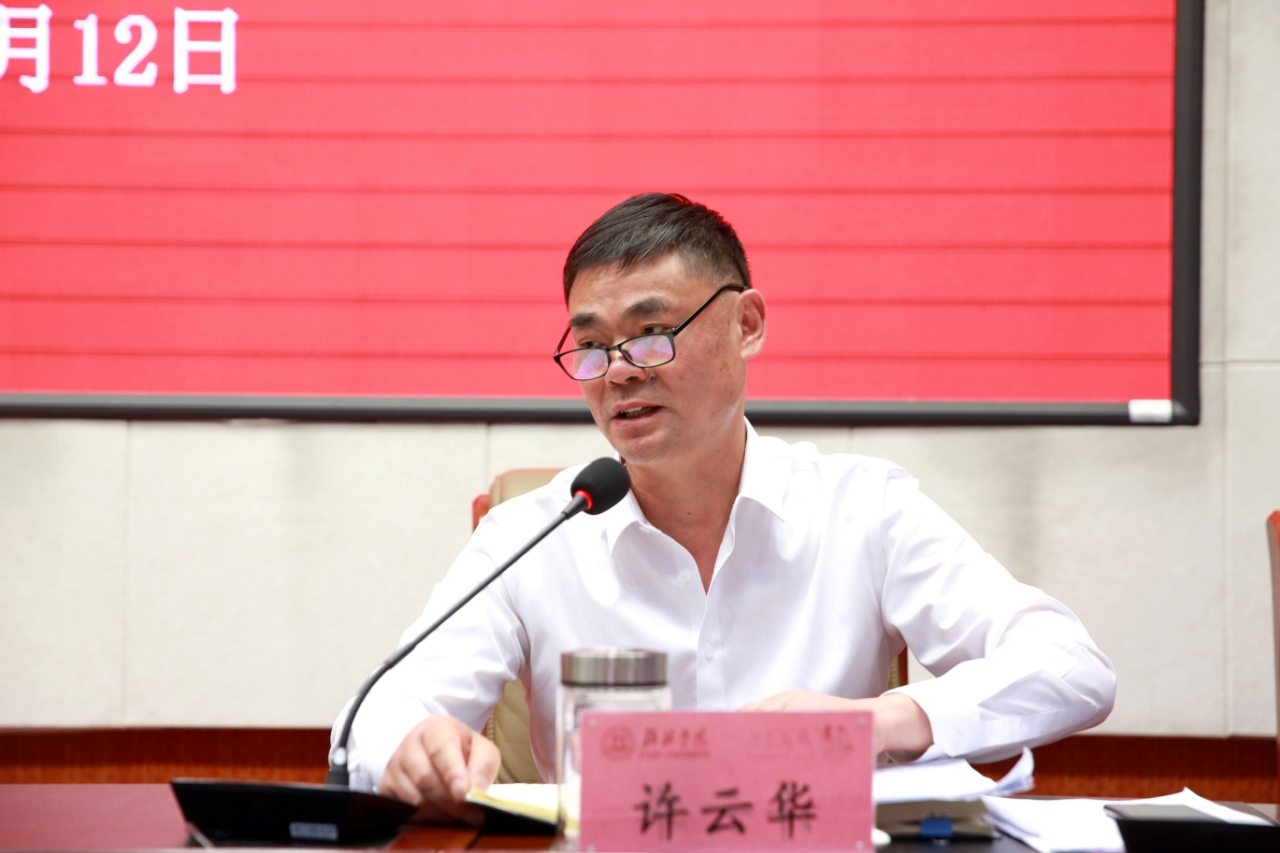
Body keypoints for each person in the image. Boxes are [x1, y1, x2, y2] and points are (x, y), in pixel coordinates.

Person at [331, 193, 1116, 822]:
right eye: (594, 346)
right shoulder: (534, 532)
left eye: (653, 333)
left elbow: (1071, 666)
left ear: (747, 324)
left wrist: (875, 722)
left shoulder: (862, 508)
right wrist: (414, 745)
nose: (619, 372)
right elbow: (371, 716)